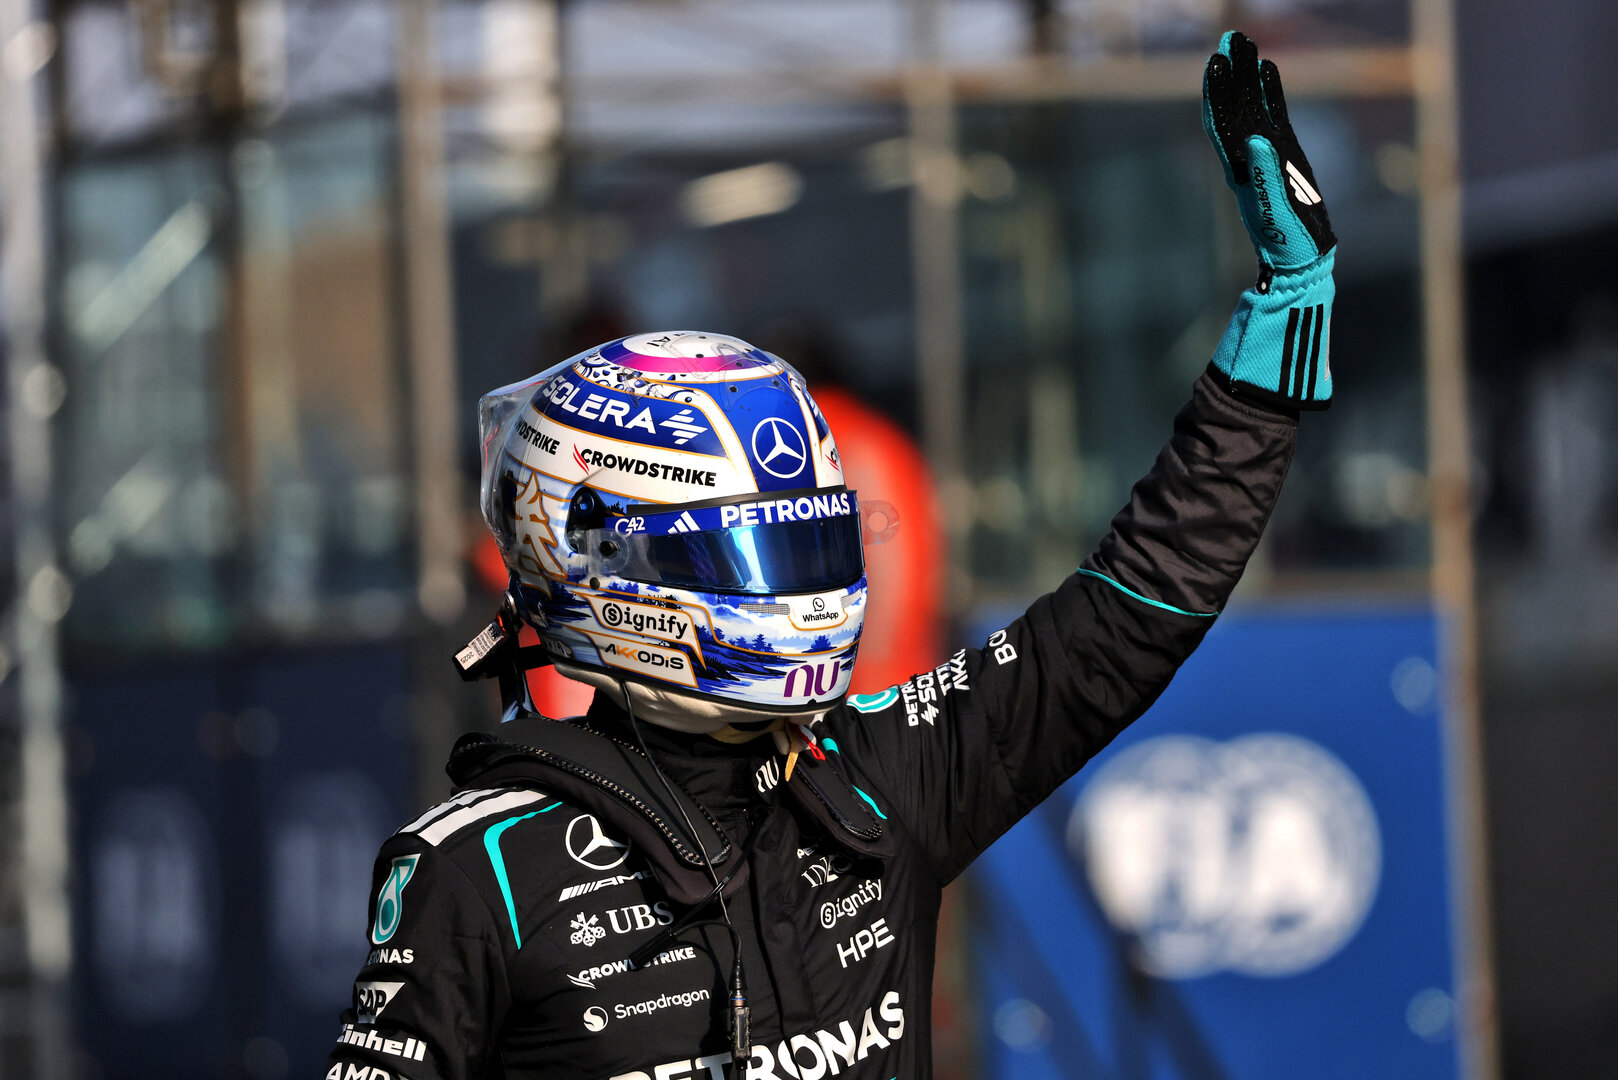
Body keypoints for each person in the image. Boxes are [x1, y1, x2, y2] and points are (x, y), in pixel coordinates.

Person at [327, 32, 1336, 1080]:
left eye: (807, 541)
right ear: (597, 559)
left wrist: (1275, 332)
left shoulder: (874, 779)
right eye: (743, 554)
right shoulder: (476, 869)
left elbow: (1127, 615)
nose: (792, 589)